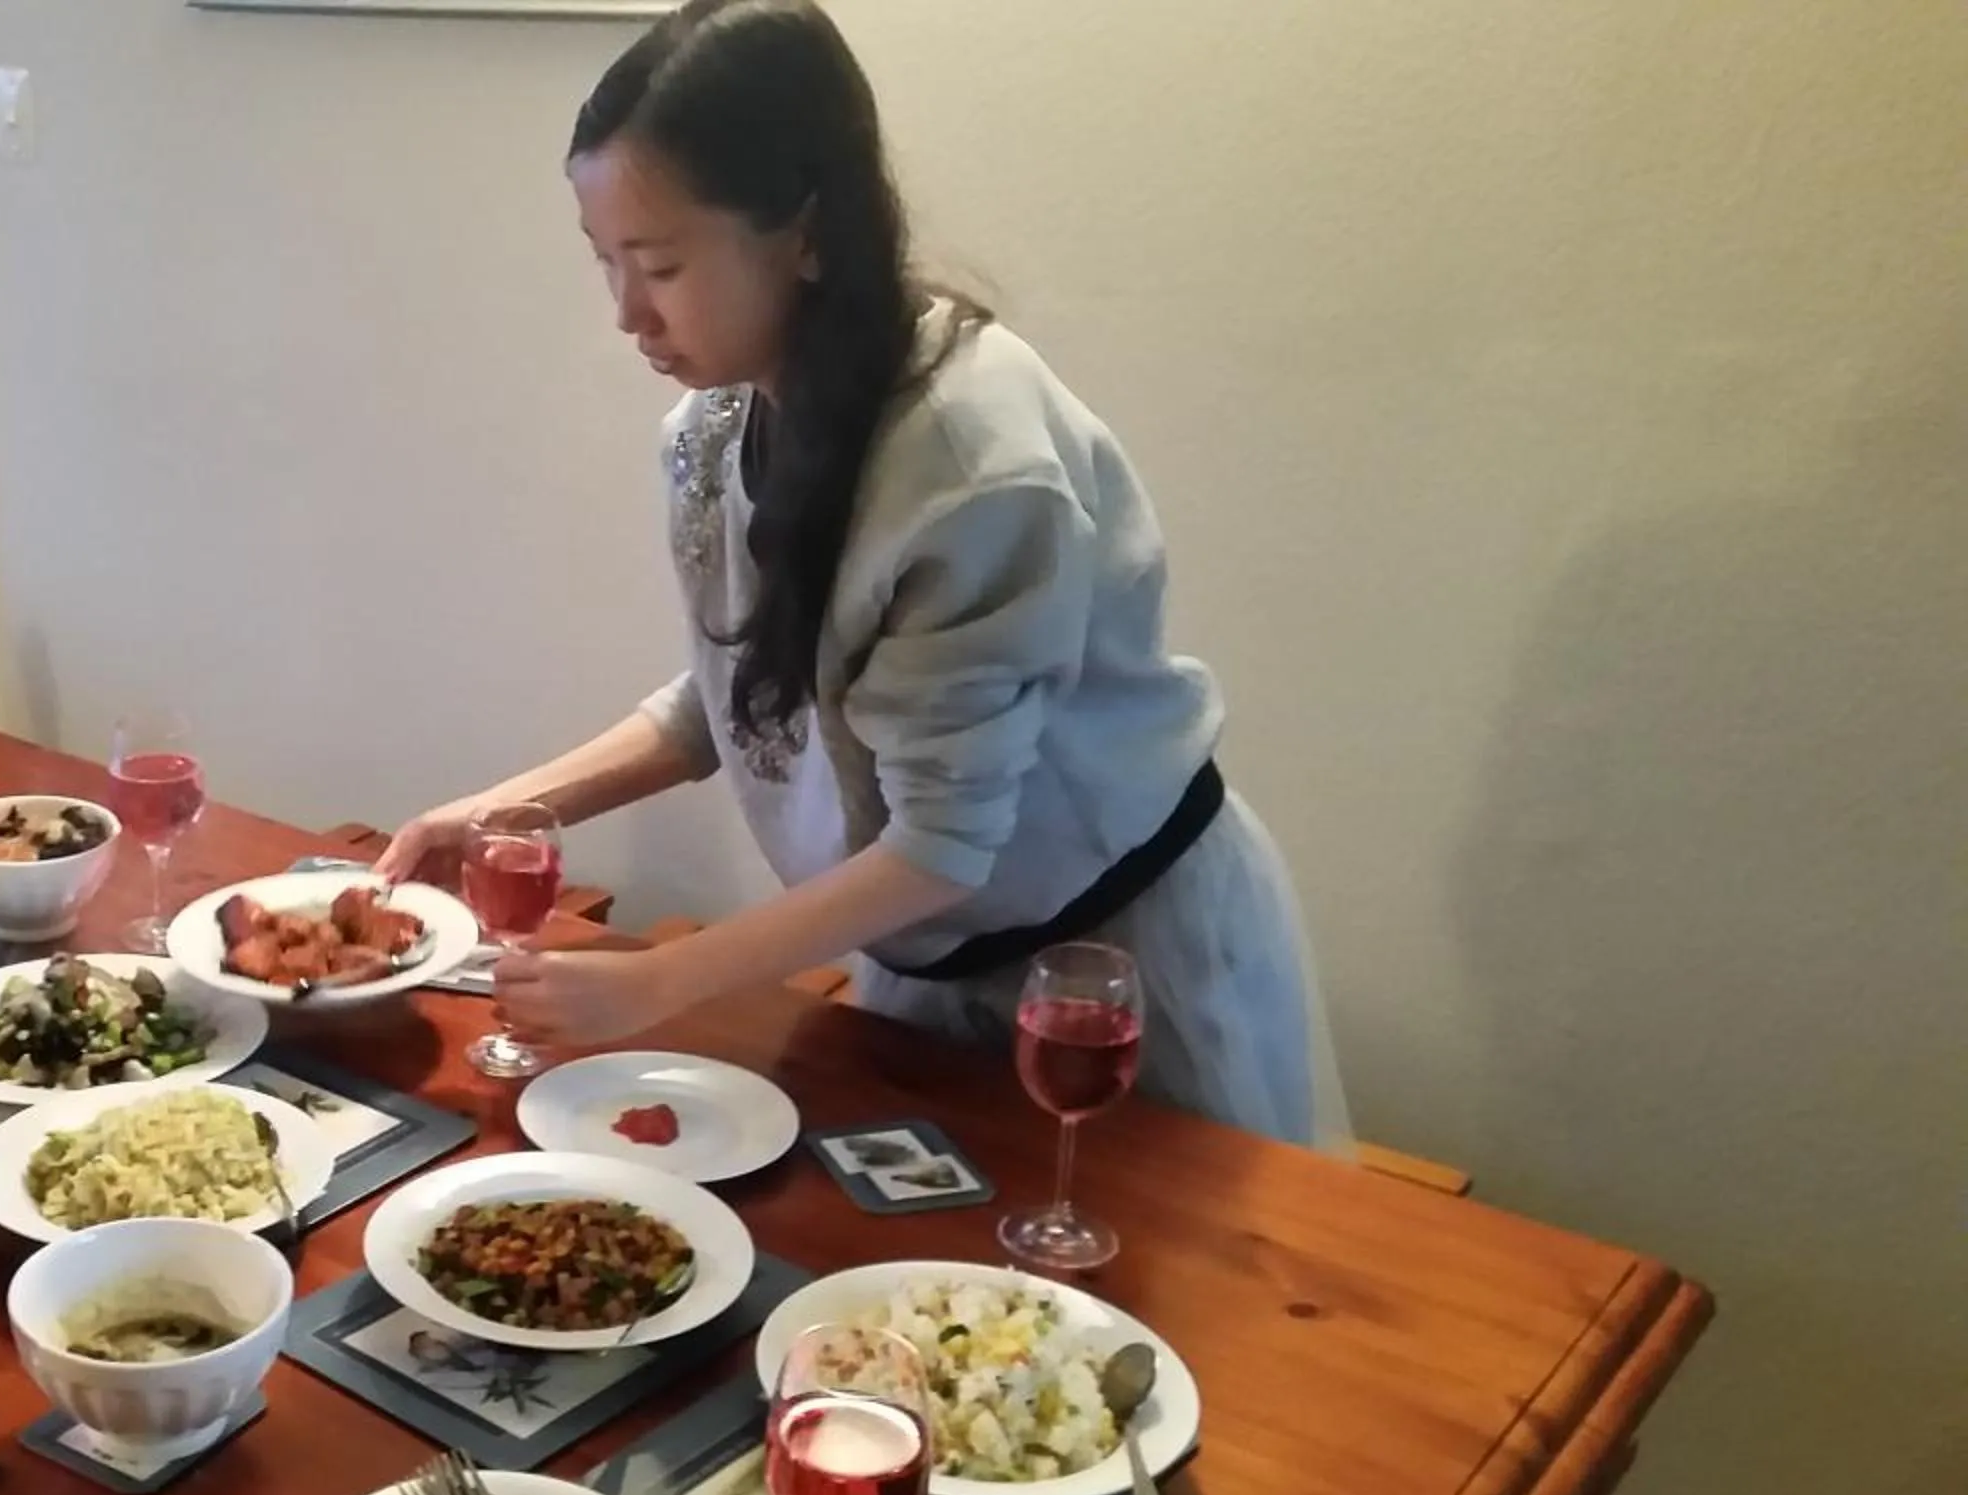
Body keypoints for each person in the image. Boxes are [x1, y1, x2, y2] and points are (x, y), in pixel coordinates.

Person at [381, 0, 1350, 1152]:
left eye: (662, 264)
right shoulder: (719, 427)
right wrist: (494, 811)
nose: (628, 313)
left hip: (1111, 967)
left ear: (805, 230)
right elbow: (733, 698)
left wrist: (657, 982)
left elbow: (942, 842)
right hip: (927, 953)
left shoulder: (971, 468)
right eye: (606, 262)